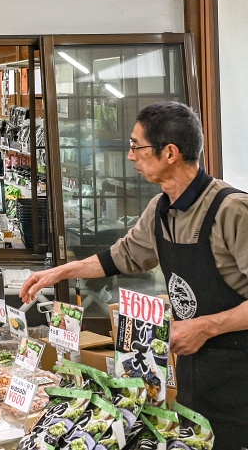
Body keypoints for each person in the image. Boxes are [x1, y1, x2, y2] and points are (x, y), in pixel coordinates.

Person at [21, 101, 248, 450]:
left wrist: (205, 326)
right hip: (194, 374)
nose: (130, 156)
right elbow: (120, 257)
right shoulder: (160, 209)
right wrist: (60, 272)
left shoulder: (232, 210)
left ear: (169, 152)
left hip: (240, 377)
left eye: (136, 146)